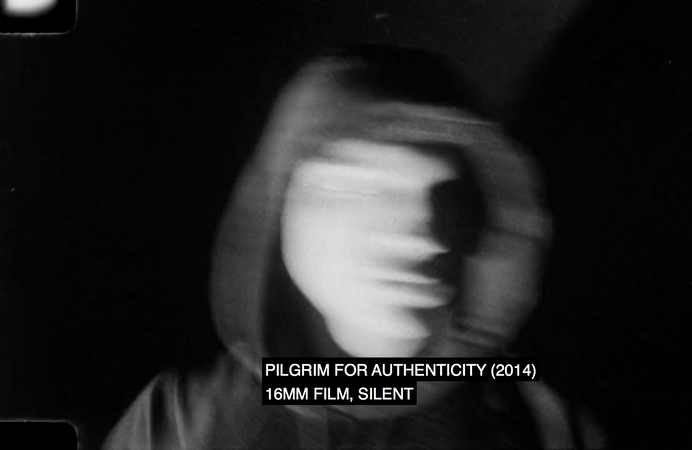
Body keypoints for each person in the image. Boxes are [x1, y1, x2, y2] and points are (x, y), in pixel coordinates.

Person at [102, 44, 605, 449]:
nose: (414, 235)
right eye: (357, 190)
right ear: (275, 218)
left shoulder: (542, 430)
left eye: (446, 194)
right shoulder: (178, 426)